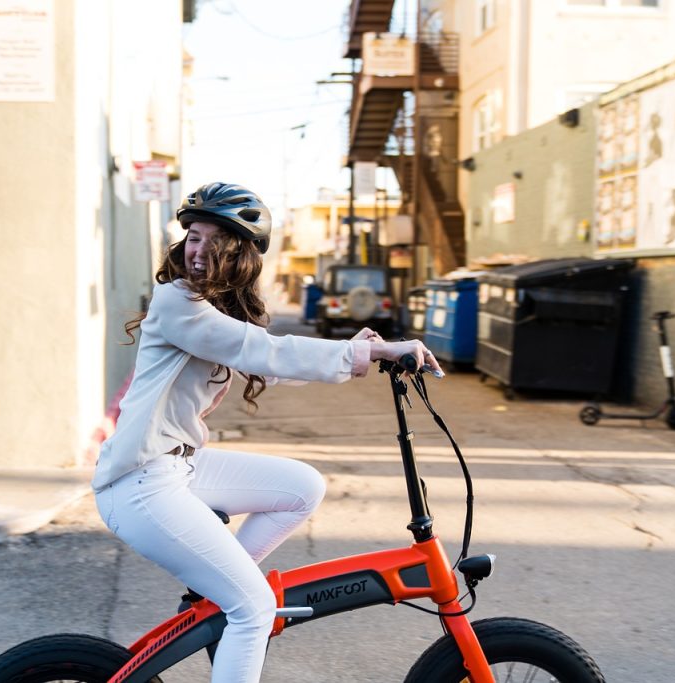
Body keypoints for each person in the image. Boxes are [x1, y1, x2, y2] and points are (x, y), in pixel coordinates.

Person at [92, 182, 441, 682]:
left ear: (240, 254)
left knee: (302, 487)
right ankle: (233, 596)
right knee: (254, 608)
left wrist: (360, 349)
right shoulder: (176, 303)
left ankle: (217, 587)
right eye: (192, 235)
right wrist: (364, 355)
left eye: (213, 239)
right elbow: (263, 351)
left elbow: (271, 362)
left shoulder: (211, 311)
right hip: (140, 484)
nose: (197, 248)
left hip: (177, 468)